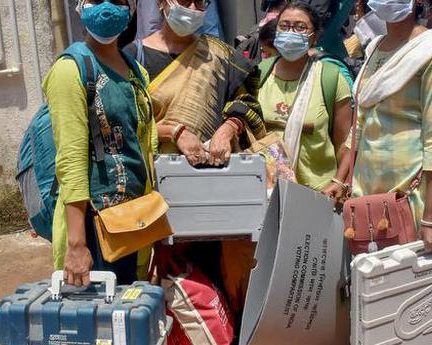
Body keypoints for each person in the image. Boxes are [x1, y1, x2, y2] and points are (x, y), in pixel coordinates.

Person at [123, 0, 266, 316]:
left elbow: (248, 102)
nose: (192, 7)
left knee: (223, 274)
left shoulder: (219, 53)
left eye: (199, 1)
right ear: (161, 4)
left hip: (218, 194)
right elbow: (127, 124)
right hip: (160, 195)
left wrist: (228, 129)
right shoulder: (133, 59)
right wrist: (173, 133)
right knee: (169, 280)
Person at [47, 0, 157, 285]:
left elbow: (140, 141)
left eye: (118, 0)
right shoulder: (71, 70)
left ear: (131, 8)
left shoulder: (135, 70)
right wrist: (76, 245)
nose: (107, 7)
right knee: (97, 321)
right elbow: (71, 159)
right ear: (81, 6)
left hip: (132, 220)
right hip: (93, 227)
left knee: (129, 314)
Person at [335, 0, 432, 252]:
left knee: (406, 278)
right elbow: (360, 122)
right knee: (368, 277)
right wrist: (341, 180)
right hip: (367, 185)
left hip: (410, 189)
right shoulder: (375, 47)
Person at [258, 2, 353, 193]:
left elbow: (345, 142)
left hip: (317, 194)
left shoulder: (331, 77)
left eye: (300, 27)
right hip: (263, 191)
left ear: (314, 37)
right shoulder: (258, 74)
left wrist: (339, 182)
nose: (291, 32)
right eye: (284, 26)